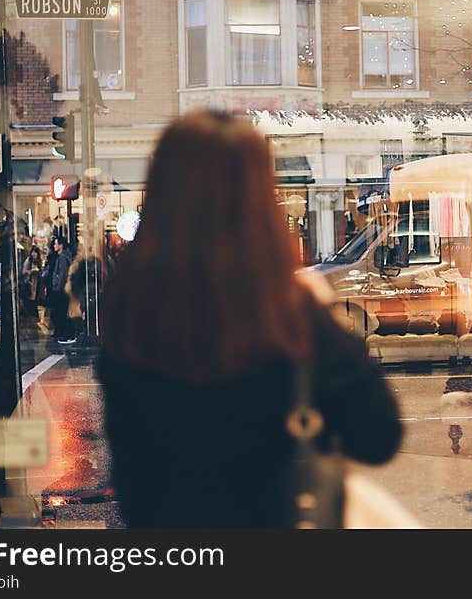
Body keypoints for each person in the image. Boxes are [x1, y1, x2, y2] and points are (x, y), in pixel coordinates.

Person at [98, 110, 402, 528]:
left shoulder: (132, 315)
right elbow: (378, 435)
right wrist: (316, 314)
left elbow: (136, 482)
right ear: (259, 201)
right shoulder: (283, 315)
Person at [50, 237, 74, 344]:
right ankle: (64, 333)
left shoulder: (62, 258)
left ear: (61, 245)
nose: (54, 246)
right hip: (63, 289)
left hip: (62, 290)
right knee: (62, 312)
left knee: (62, 312)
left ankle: (66, 334)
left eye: (56, 244)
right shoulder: (63, 257)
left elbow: (63, 274)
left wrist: (58, 287)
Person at [20, 246, 43, 326]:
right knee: (30, 303)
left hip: (36, 285)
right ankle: (31, 322)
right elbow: (23, 272)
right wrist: (31, 272)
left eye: (35, 252)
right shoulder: (28, 261)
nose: (33, 254)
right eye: (32, 252)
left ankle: (34, 322)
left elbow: (41, 272)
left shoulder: (38, 262)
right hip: (29, 285)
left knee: (34, 302)